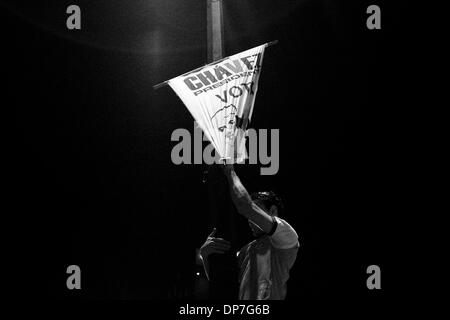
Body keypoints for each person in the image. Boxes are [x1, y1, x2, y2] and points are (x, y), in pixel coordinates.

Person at [200, 164, 299, 300]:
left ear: (273, 211)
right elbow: (222, 283)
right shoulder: (247, 250)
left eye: (255, 213)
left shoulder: (287, 235)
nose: (249, 220)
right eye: (249, 217)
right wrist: (205, 255)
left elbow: (245, 206)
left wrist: (230, 171)